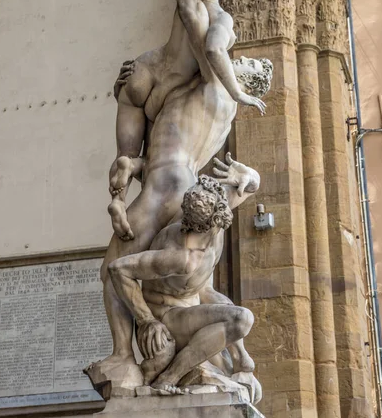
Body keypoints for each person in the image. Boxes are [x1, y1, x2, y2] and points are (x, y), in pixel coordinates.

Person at [93, 54, 272, 386]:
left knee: (111, 270)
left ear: (249, 84)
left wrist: (140, 80)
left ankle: (123, 355)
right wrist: (249, 174)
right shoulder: (219, 106)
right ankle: (199, 367)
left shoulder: (215, 83)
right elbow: (247, 187)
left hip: (163, 184)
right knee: (195, 280)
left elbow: (203, 36)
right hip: (184, 180)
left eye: (249, 63)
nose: (241, 56)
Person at [108, 0, 266, 239]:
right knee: (158, 156)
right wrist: (237, 92)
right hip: (175, 88)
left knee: (127, 153)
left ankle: (118, 197)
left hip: (145, 70)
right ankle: (130, 174)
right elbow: (213, 50)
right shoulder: (220, 18)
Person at [108, 168, 260, 396]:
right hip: (168, 314)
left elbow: (249, 186)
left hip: (194, 297)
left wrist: (249, 176)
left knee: (223, 303)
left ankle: (240, 363)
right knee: (242, 319)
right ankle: (169, 377)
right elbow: (117, 269)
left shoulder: (215, 204)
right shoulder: (180, 257)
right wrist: (147, 320)